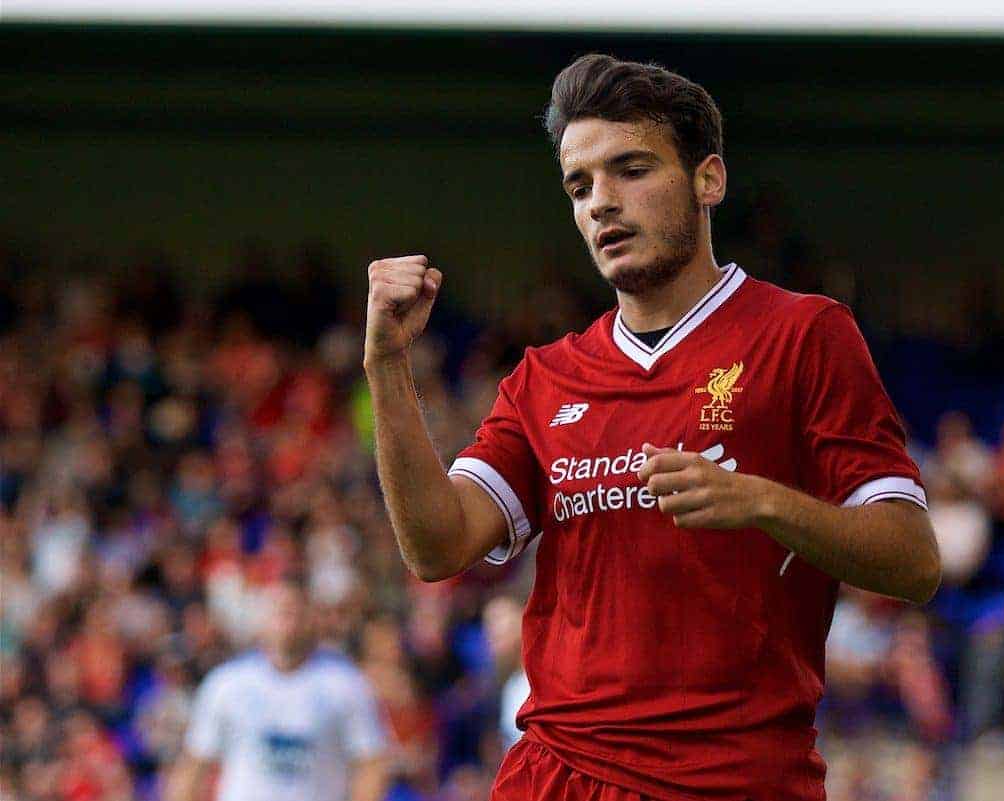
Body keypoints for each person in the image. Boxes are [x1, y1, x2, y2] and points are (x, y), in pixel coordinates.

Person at [363, 54, 941, 801]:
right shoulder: (547, 377)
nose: (601, 202)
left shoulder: (804, 335)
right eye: (580, 186)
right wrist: (387, 363)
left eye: (630, 169)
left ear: (709, 180)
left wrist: (760, 501)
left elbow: (914, 559)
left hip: (735, 780)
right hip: (559, 774)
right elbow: (436, 546)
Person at [164, 579, 390, 801]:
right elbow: (194, 765)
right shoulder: (226, 683)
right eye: (279, 610)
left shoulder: (346, 684)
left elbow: (371, 763)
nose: (287, 620)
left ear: (312, 617)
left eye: (295, 610)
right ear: (260, 618)